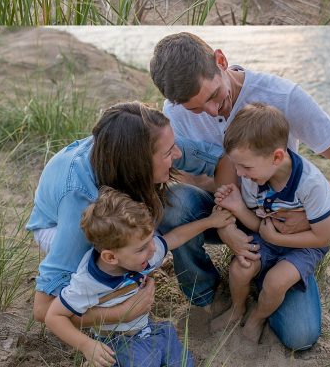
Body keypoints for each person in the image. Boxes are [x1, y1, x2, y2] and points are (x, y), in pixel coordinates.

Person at [147, 32, 330, 352]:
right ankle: (207, 295)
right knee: (174, 203)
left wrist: (307, 219)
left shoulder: (283, 96)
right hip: (220, 211)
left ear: (220, 61)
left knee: (300, 335)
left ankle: (265, 289)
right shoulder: (175, 111)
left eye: (212, 96)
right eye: (195, 109)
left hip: (281, 223)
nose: (210, 111)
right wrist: (227, 224)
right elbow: (179, 175)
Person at [27, 102, 223, 331]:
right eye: (169, 153)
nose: (178, 154)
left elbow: (219, 159)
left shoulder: (147, 139)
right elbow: (43, 310)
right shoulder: (80, 200)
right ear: (138, 164)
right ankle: (108, 291)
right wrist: (120, 313)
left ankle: (201, 292)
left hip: (114, 196)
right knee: (113, 241)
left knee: (177, 204)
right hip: (56, 225)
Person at [44, 187, 233, 367]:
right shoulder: (89, 282)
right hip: (116, 340)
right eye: (142, 248)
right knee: (144, 361)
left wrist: (209, 222)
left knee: (183, 360)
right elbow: (54, 316)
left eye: (151, 239)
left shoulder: (139, 253)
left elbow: (174, 238)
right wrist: (86, 345)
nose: (153, 250)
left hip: (147, 329)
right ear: (110, 257)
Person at [211, 103, 330, 345]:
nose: (239, 173)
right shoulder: (254, 178)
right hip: (269, 236)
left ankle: (258, 316)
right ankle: (237, 309)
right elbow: (260, 225)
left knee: (275, 282)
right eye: (237, 165)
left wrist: (278, 239)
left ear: (277, 156)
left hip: (305, 245)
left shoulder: (312, 185)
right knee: (241, 268)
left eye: (245, 166)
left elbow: (324, 238)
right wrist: (237, 207)